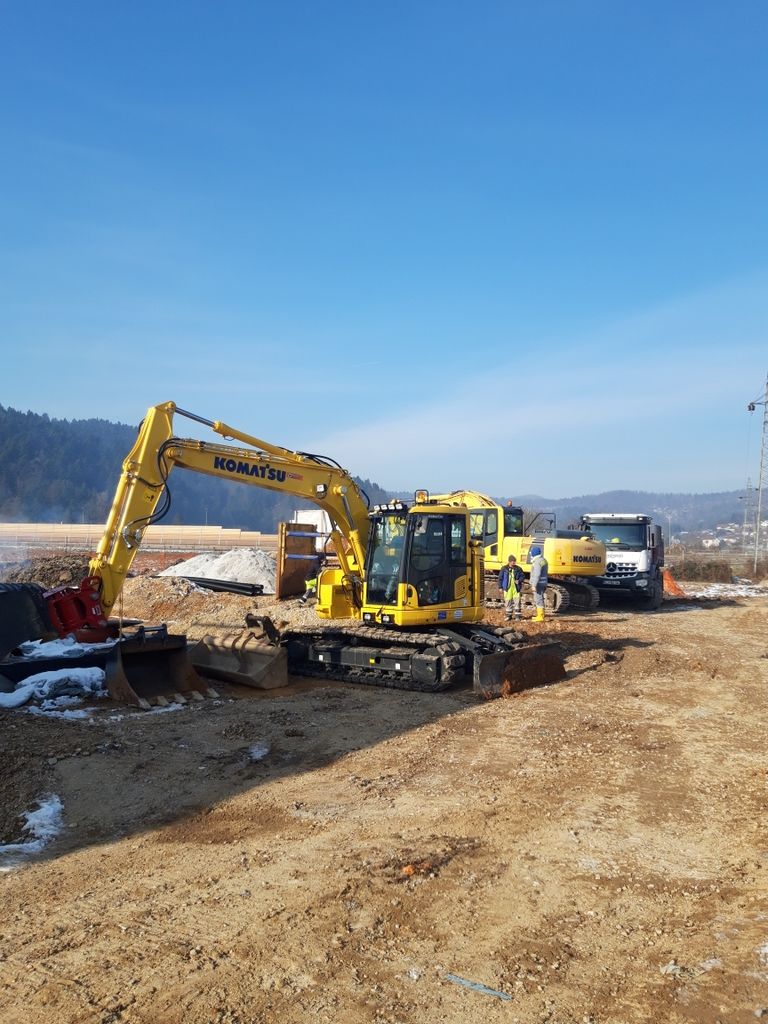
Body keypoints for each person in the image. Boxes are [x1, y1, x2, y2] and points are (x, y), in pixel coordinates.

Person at [498, 554, 524, 621]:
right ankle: (508, 616)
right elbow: (500, 578)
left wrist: (519, 580)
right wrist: (500, 587)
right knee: (508, 601)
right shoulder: (504, 569)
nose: (514, 562)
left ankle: (517, 616)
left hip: (516, 588)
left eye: (514, 561)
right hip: (507, 588)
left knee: (517, 601)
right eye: (513, 561)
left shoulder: (518, 569)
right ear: (509, 561)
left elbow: (522, 576)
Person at [529, 544, 548, 622]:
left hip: (538, 584)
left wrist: (534, 585)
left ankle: (540, 616)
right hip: (543, 582)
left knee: (538, 599)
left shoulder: (537, 562)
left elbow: (537, 574)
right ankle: (541, 615)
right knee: (540, 598)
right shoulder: (543, 560)